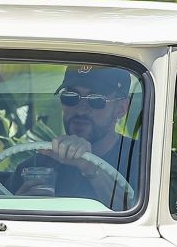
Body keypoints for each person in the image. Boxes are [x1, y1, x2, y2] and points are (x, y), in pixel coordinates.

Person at [15, 65, 140, 209]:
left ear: (121, 109)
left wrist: (90, 166)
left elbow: (139, 219)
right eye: (70, 98)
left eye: (96, 100)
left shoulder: (146, 162)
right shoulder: (35, 166)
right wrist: (20, 203)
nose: (81, 109)